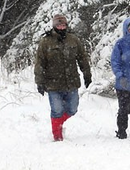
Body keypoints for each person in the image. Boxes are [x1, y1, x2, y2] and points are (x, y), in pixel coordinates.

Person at [34, 13, 92, 141]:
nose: (61, 27)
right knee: (57, 110)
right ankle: (57, 136)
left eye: (63, 25)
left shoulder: (73, 39)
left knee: (72, 109)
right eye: (59, 25)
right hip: (53, 84)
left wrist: (87, 74)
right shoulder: (46, 42)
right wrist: (39, 82)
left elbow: (82, 58)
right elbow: (39, 63)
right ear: (54, 26)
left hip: (71, 82)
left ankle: (59, 123)